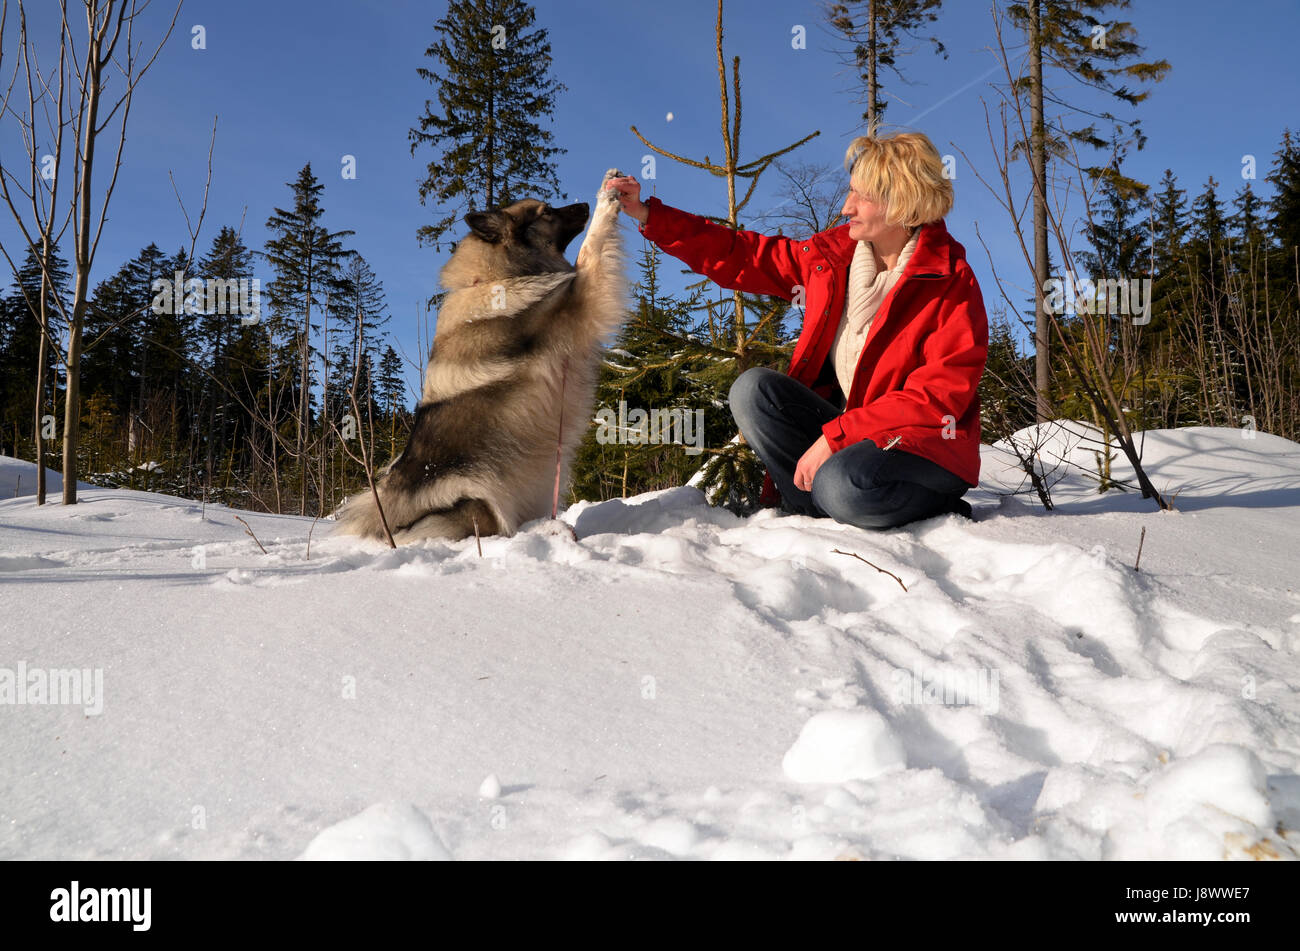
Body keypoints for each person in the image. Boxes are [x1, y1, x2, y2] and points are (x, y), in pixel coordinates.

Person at [603, 130, 988, 530]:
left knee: (841, 485)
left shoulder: (950, 283)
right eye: (849, 191)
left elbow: (936, 399)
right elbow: (742, 254)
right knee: (753, 390)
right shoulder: (831, 259)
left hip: (925, 447)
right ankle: (810, 513)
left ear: (902, 202)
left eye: (862, 196)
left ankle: (908, 507)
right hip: (855, 439)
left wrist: (837, 435)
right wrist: (649, 215)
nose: (845, 207)